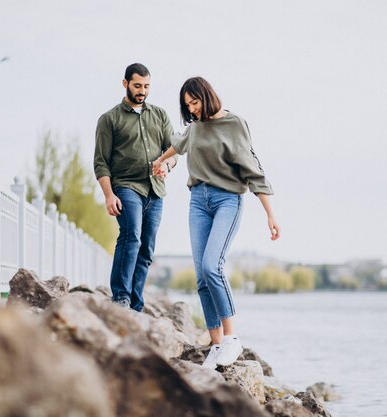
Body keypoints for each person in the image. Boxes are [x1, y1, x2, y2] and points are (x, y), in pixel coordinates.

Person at [153, 76, 280, 368]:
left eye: (195, 102)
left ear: (206, 96)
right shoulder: (194, 127)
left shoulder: (234, 124)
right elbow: (179, 145)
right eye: (188, 106)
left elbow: (253, 169)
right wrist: (161, 161)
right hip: (198, 201)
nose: (193, 110)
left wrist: (270, 214)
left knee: (213, 265)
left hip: (227, 201)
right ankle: (217, 344)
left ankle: (232, 339)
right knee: (200, 275)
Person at [94, 63, 177, 312]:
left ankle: (136, 303)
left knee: (147, 247)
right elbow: (101, 162)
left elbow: (173, 152)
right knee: (131, 237)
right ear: (125, 84)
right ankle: (120, 297)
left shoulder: (160, 115)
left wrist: (167, 165)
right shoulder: (109, 119)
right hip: (126, 187)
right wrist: (109, 195)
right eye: (137, 86)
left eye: (146, 86)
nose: (142, 91)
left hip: (156, 190)